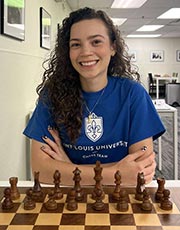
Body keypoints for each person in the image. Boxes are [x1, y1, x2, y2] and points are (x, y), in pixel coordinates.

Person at [23, 7, 165, 186]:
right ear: (67, 51)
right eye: (76, 44)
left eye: (96, 42)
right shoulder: (52, 95)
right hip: (71, 200)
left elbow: (140, 170)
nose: (85, 52)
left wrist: (68, 167)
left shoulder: (133, 94)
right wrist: (116, 173)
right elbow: (40, 169)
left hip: (120, 201)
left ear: (113, 47)